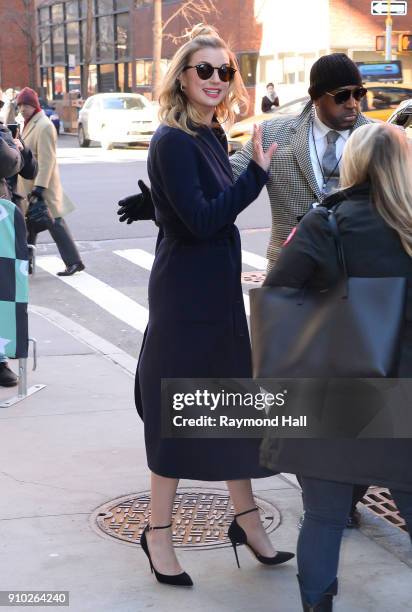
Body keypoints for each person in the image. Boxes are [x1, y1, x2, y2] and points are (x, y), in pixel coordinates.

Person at [118, 52, 371, 527]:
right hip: (292, 283)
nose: (354, 103)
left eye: (360, 93)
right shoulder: (274, 134)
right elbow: (215, 187)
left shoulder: (376, 138)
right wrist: (159, 204)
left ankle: (347, 494)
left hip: (359, 286)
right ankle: (315, 499)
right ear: (316, 97)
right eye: (343, 95)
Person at [134, 24, 294, 587]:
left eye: (226, 70)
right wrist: (256, 174)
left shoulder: (208, 134)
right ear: (181, 76)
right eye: (205, 69)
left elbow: (187, 204)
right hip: (185, 296)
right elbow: (203, 219)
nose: (217, 79)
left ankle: (246, 519)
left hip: (216, 291)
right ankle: (157, 533)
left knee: (229, 409)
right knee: (176, 413)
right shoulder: (173, 139)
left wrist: (157, 202)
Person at [260, 122, 412, 611]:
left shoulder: (324, 221)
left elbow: (280, 291)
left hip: (330, 388)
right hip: (402, 392)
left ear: (353, 164)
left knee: (323, 515)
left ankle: (318, 605)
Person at [16, 87, 85, 276]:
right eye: (20, 105)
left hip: (42, 186)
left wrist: (39, 188)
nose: (22, 108)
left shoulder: (44, 125)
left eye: (26, 105)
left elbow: (47, 160)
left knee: (54, 223)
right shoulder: (28, 123)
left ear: (35, 105)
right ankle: (26, 264)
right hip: (29, 185)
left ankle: (74, 262)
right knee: (29, 225)